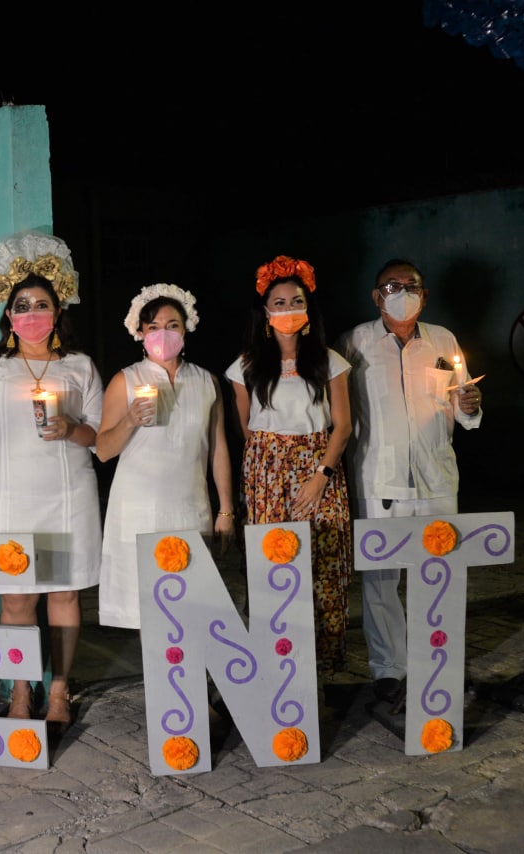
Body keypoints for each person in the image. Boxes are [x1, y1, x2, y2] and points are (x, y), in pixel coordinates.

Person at [0, 231, 103, 725]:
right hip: (10, 501)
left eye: (42, 305)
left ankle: (59, 691)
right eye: (23, 306)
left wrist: (72, 428)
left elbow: (101, 438)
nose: (32, 313)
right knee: (18, 598)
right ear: (8, 314)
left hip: (64, 498)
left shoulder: (78, 366)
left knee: (62, 594)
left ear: (57, 313)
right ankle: (21, 691)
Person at [335, 258, 482, 706]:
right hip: (378, 479)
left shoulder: (443, 341)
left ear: (425, 295)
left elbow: (464, 407)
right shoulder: (353, 343)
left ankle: (439, 659)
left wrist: (471, 405)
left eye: (411, 286)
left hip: (436, 478)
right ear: (376, 296)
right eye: (392, 286)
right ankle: (389, 670)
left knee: (440, 573)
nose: (402, 293)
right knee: (381, 581)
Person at [225, 255, 354, 675]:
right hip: (265, 471)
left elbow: (343, 426)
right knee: (273, 564)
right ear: (265, 312)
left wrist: (320, 476)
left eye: (296, 301)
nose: (288, 310)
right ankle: (274, 662)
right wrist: (271, 467)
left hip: (319, 466)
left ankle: (318, 669)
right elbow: (247, 429)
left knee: (323, 560)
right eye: (278, 303)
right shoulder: (245, 366)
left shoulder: (329, 361)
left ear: (308, 308)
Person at [96, 283, 235, 630]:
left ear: (186, 329)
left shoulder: (206, 381)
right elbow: (104, 450)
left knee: (193, 609)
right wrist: (130, 420)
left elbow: (218, 448)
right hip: (139, 511)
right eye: (154, 326)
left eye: (172, 325)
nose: (163, 333)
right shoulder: (126, 380)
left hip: (190, 507)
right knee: (148, 613)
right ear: (140, 333)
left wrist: (226, 509)